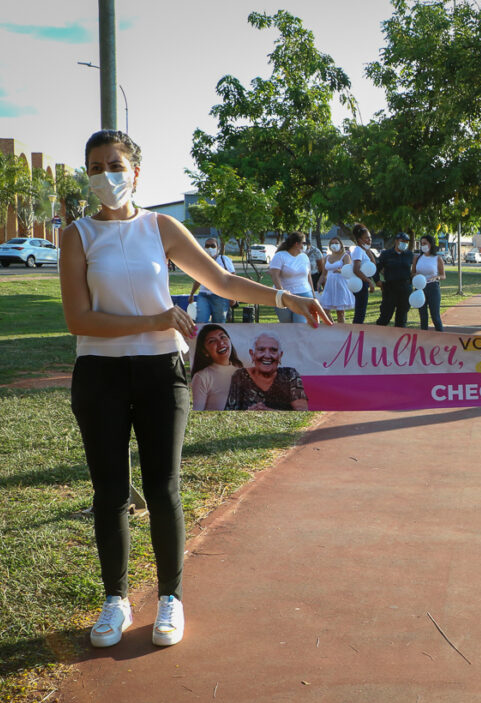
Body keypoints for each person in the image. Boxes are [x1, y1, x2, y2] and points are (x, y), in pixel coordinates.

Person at [60, 129, 329, 650]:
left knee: (163, 489)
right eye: (94, 167)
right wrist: (156, 317)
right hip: (100, 375)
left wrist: (289, 300)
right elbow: (79, 319)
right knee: (111, 493)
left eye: (113, 165)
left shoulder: (161, 227)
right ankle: (114, 600)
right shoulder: (78, 235)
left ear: (135, 172)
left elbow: (223, 284)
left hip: (162, 372)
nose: (104, 176)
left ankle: (170, 599)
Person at [225, 332, 309, 411]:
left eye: (273, 350)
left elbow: (303, 412)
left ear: (280, 355)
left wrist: (270, 413)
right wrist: (248, 415)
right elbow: (228, 414)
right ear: (252, 354)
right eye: (261, 350)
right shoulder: (240, 376)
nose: (267, 355)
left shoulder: (289, 374)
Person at [190, 324, 241, 411]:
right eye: (212, 341)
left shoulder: (242, 373)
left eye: (223, 337)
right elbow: (197, 412)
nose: (220, 343)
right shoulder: (202, 377)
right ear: (205, 351)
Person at [269, 232, 316, 323]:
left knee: (300, 324)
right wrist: (282, 293)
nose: (305, 245)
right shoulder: (280, 256)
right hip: (285, 295)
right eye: (303, 243)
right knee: (286, 323)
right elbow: (275, 276)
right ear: (296, 244)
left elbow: (308, 277)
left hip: (304, 294)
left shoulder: (304, 257)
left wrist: (313, 295)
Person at [188, 237, 235, 324]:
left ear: (218, 248)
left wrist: (232, 296)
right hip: (203, 295)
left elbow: (232, 278)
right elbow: (198, 279)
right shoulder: (202, 261)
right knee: (201, 322)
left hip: (220, 296)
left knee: (218, 323)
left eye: (213, 246)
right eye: (207, 246)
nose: (210, 248)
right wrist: (192, 294)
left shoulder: (224, 260)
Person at [376, 232, 414, 328]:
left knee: (402, 318)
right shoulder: (386, 254)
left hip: (405, 288)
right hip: (390, 288)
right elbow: (376, 269)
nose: (404, 243)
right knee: (385, 316)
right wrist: (377, 281)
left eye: (406, 242)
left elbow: (415, 270)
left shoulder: (409, 255)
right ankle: (376, 338)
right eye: (402, 241)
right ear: (396, 241)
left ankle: (400, 341)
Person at [317, 235, 356, 323]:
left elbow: (348, 270)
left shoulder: (345, 256)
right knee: (325, 309)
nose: (334, 245)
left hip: (341, 285)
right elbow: (324, 274)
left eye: (336, 243)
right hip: (329, 286)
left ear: (340, 245)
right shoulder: (327, 257)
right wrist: (319, 283)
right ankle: (332, 326)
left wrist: (341, 270)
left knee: (340, 312)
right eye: (332, 243)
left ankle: (341, 330)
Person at [412, 234, 446, 331]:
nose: (423, 246)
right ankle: (424, 339)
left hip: (433, 288)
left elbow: (443, 275)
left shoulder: (437, 258)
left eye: (425, 243)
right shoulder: (417, 258)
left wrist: (437, 277)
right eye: (421, 244)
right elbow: (412, 273)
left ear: (430, 244)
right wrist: (416, 275)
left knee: (435, 316)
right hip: (419, 288)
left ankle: (441, 338)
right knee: (423, 317)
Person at [350, 223, 378, 324]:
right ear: (359, 240)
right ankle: (356, 333)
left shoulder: (364, 251)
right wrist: (369, 281)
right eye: (366, 238)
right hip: (360, 283)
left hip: (363, 282)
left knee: (361, 311)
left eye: (370, 238)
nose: (369, 240)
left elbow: (373, 264)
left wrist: (368, 250)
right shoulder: (358, 250)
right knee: (360, 313)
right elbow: (356, 269)